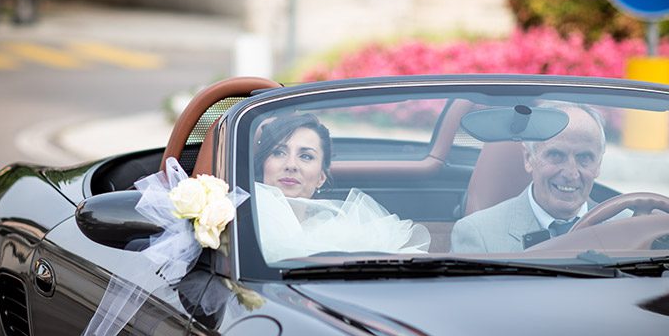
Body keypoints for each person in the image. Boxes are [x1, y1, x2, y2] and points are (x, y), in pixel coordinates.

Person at [253, 113, 430, 261]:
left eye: (306, 156)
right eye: (278, 152)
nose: (291, 165)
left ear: (321, 177)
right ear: (262, 166)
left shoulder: (351, 234)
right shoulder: (238, 222)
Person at [451, 101, 606, 253]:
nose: (570, 173)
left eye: (584, 157)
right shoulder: (479, 234)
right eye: (556, 155)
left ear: (598, 165)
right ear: (528, 158)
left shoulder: (626, 226)